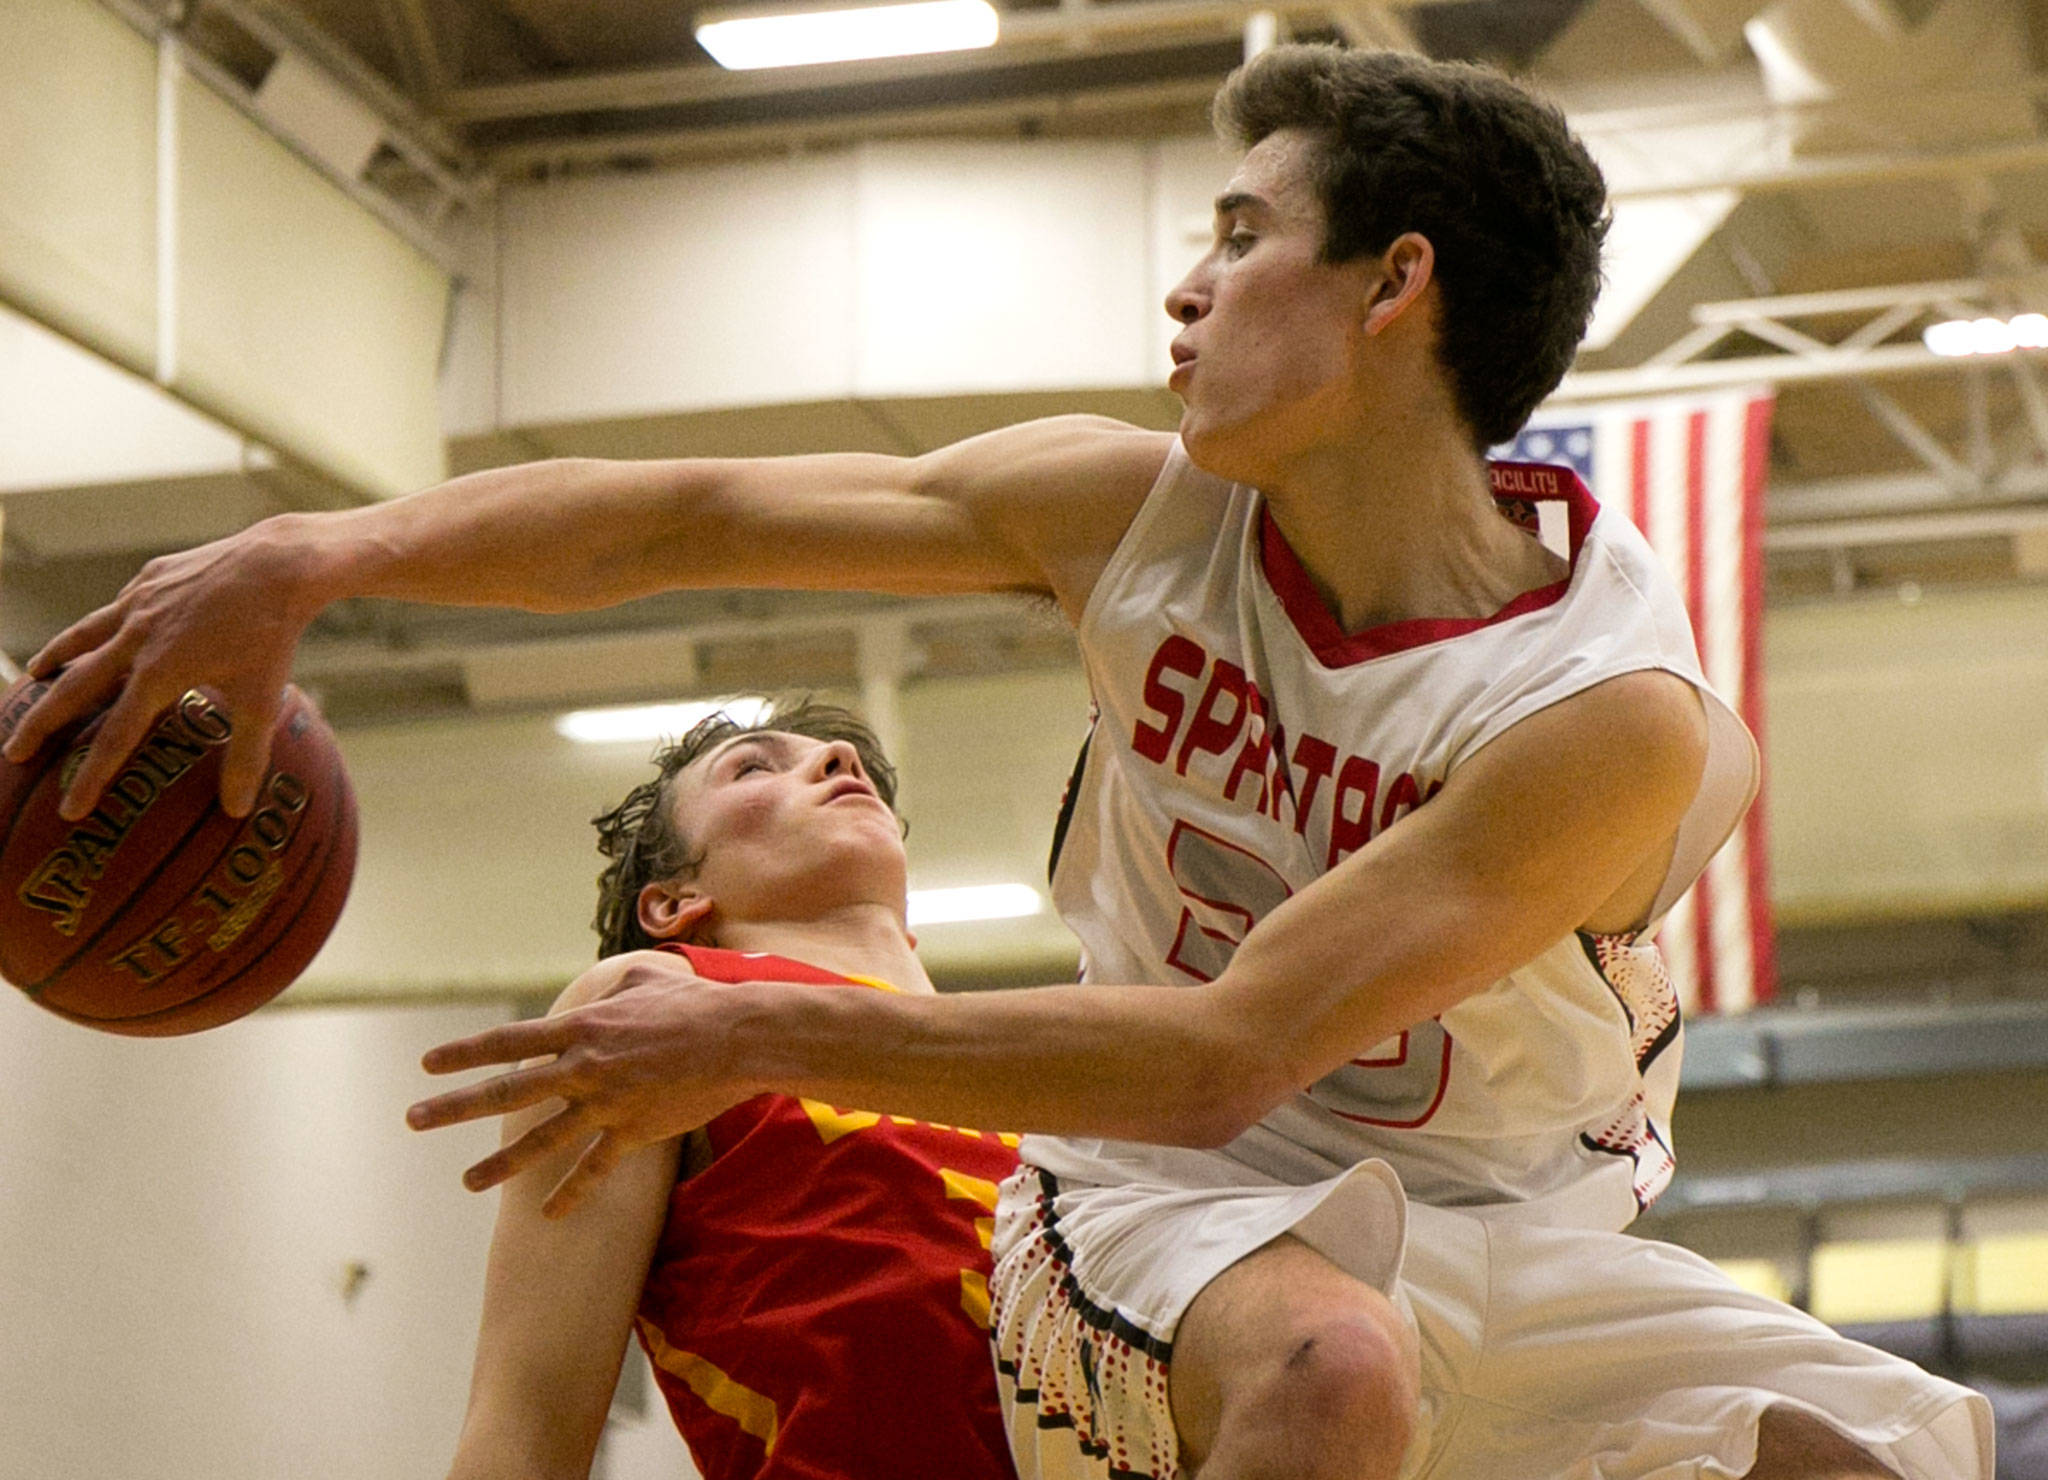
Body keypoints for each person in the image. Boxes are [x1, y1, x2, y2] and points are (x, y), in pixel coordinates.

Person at [13, 43, 1991, 1480]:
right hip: (1157, 1204)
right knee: (1327, 1370)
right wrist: (316, 552)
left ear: (1396, 288)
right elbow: (682, 508)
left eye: (1238, 233)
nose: (1184, 285)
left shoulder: (1605, 718)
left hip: (1504, 1206)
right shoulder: (1114, 510)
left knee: (1863, 1456)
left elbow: (1241, 1037)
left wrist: (740, 1039)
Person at [446, 700, 1018, 1480]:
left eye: (842, 757)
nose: (837, 760)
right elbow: (527, 1422)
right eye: (754, 766)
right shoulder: (655, 1008)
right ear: (674, 902)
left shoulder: (1025, 1059)